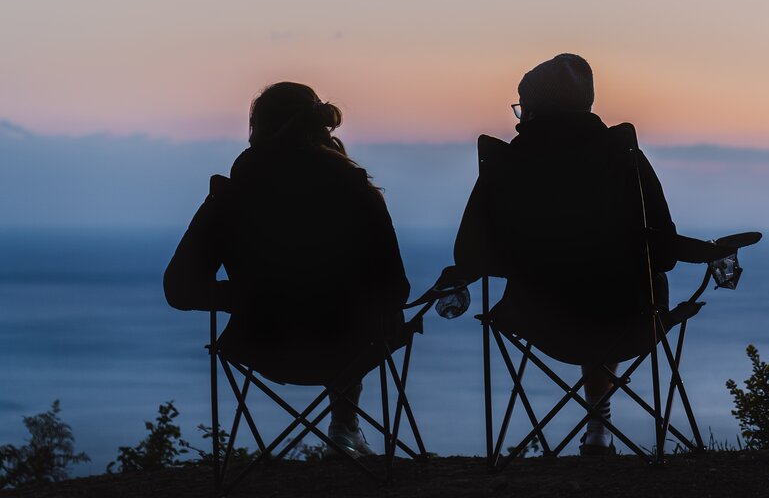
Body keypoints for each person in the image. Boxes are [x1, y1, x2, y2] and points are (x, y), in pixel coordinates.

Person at [440, 53, 678, 455]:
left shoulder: (507, 165)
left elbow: (471, 253)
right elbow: (665, 252)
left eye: (522, 106)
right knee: (604, 295)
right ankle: (599, 425)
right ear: (586, 104)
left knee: (582, 298)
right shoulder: (625, 157)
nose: (520, 116)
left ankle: (595, 426)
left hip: (538, 318)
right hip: (627, 316)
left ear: (533, 109)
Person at [164, 82, 410, 458]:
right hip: (350, 345)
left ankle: (343, 428)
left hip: (262, 344)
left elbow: (179, 289)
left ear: (255, 130)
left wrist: (250, 298)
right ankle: (344, 427)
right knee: (371, 311)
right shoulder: (356, 192)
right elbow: (395, 288)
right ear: (321, 128)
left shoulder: (231, 197)